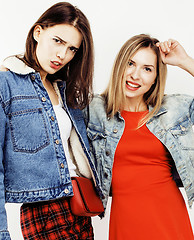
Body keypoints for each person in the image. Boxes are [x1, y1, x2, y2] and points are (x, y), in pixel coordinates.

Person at [0, 2, 104, 240]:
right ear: (38, 32)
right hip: (43, 210)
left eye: (72, 49)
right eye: (57, 41)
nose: (62, 55)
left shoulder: (64, 90)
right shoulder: (6, 85)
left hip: (79, 204)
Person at [85, 34, 194, 239]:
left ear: (155, 78)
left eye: (147, 69)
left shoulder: (173, 109)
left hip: (170, 220)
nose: (135, 75)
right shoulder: (95, 109)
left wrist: (184, 61)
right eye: (130, 63)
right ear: (119, 66)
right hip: (125, 222)